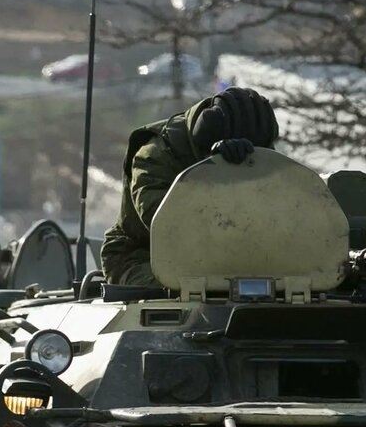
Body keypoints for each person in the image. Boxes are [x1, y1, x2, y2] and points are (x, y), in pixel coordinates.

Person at [100, 87, 282, 287]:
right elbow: (167, 224)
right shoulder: (156, 154)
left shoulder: (259, 152)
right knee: (185, 292)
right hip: (143, 256)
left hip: (232, 258)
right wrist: (212, 169)